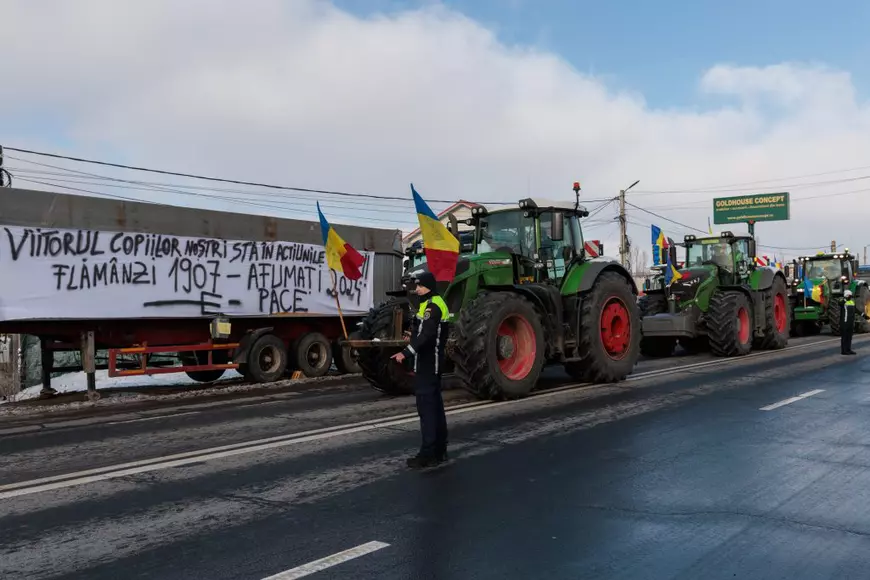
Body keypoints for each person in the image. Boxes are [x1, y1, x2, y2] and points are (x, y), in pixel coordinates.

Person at [391, 271, 449, 468]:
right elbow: (420, 331)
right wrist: (411, 333)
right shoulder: (429, 304)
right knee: (435, 408)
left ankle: (428, 453)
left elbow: (426, 336)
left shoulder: (433, 307)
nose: (417, 290)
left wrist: (404, 353)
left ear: (429, 287)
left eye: (420, 286)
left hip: (428, 364)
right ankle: (440, 450)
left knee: (427, 410)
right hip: (429, 364)